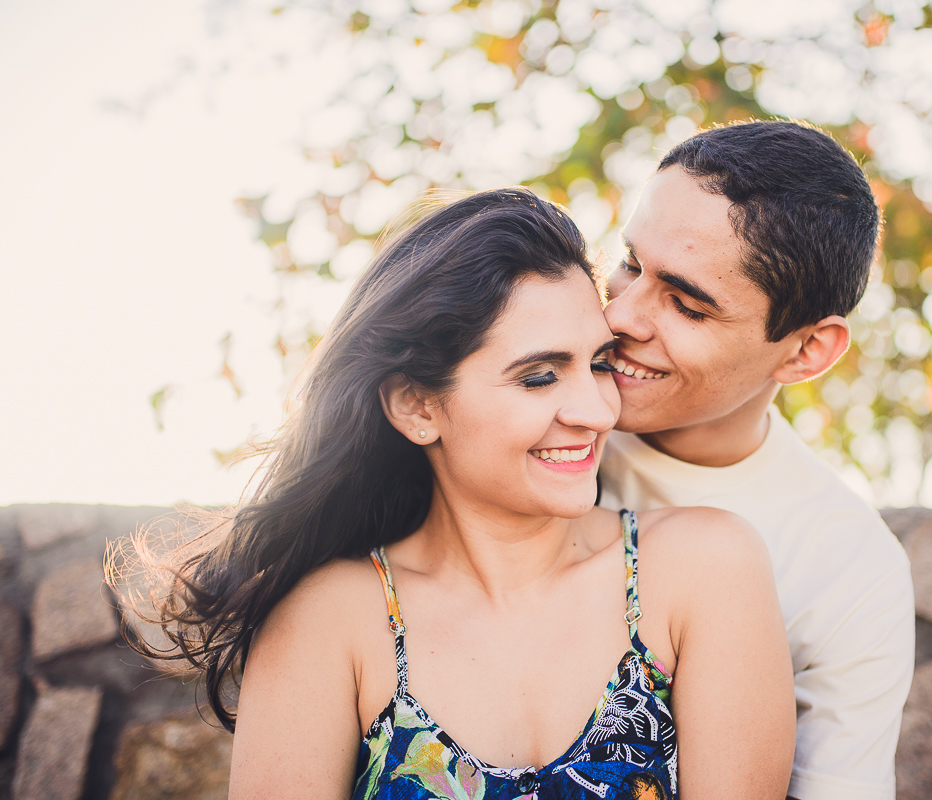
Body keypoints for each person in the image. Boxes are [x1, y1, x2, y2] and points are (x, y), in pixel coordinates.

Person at [117, 188, 795, 800]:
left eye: (597, 364)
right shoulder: (330, 620)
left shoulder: (704, 568)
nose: (594, 411)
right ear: (417, 406)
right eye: (538, 377)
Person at [597, 121, 915, 800]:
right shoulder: (509, 417)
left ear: (806, 352)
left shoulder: (848, 570)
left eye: (685, 304)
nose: (622, 315)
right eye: (629, 263)